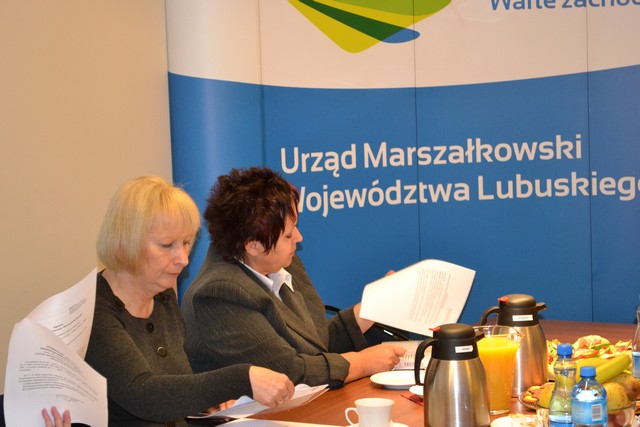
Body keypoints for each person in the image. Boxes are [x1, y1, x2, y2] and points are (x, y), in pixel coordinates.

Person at [84, 176, 294, 426]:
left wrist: (208, 402)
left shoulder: (163, 298)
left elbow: (176, 383)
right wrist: (242, 378)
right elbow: (145, 395)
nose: (183, 259)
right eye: (167, 245)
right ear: (125, 243)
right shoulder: (93, 310)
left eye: (186, 243)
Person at [181, 167, 406, 389]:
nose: (299, 237)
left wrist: (372, 308)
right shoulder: (218, 294)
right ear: (252, 245)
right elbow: (289, 371)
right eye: (288, 234)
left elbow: (314, 345)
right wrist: (365, 363)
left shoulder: (280, 261)